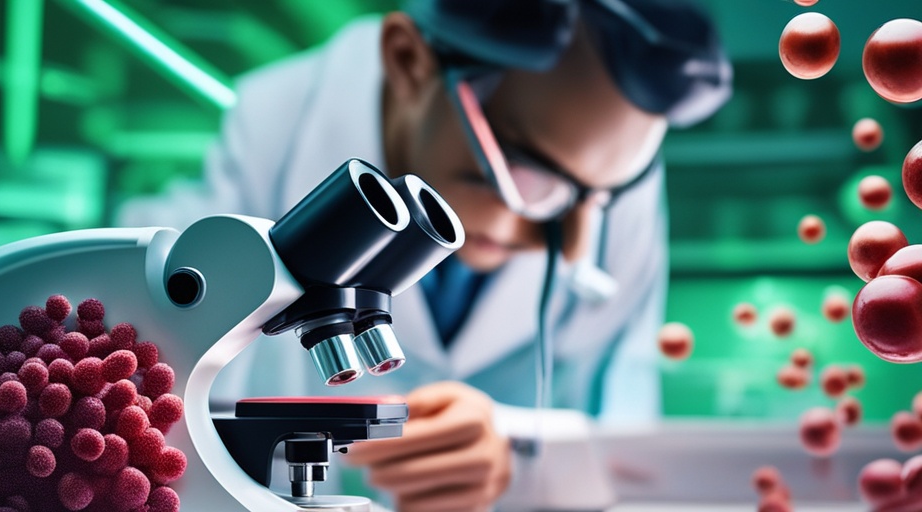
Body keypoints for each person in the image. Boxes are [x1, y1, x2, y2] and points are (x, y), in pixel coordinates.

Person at [117, 0, 731, 509]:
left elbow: (627, 439)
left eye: (598, 199)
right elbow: (148, 358)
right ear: (408, 62)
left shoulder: (611, 173)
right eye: (527, 172)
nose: (573, 243)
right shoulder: (275, 126)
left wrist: (516, 454)